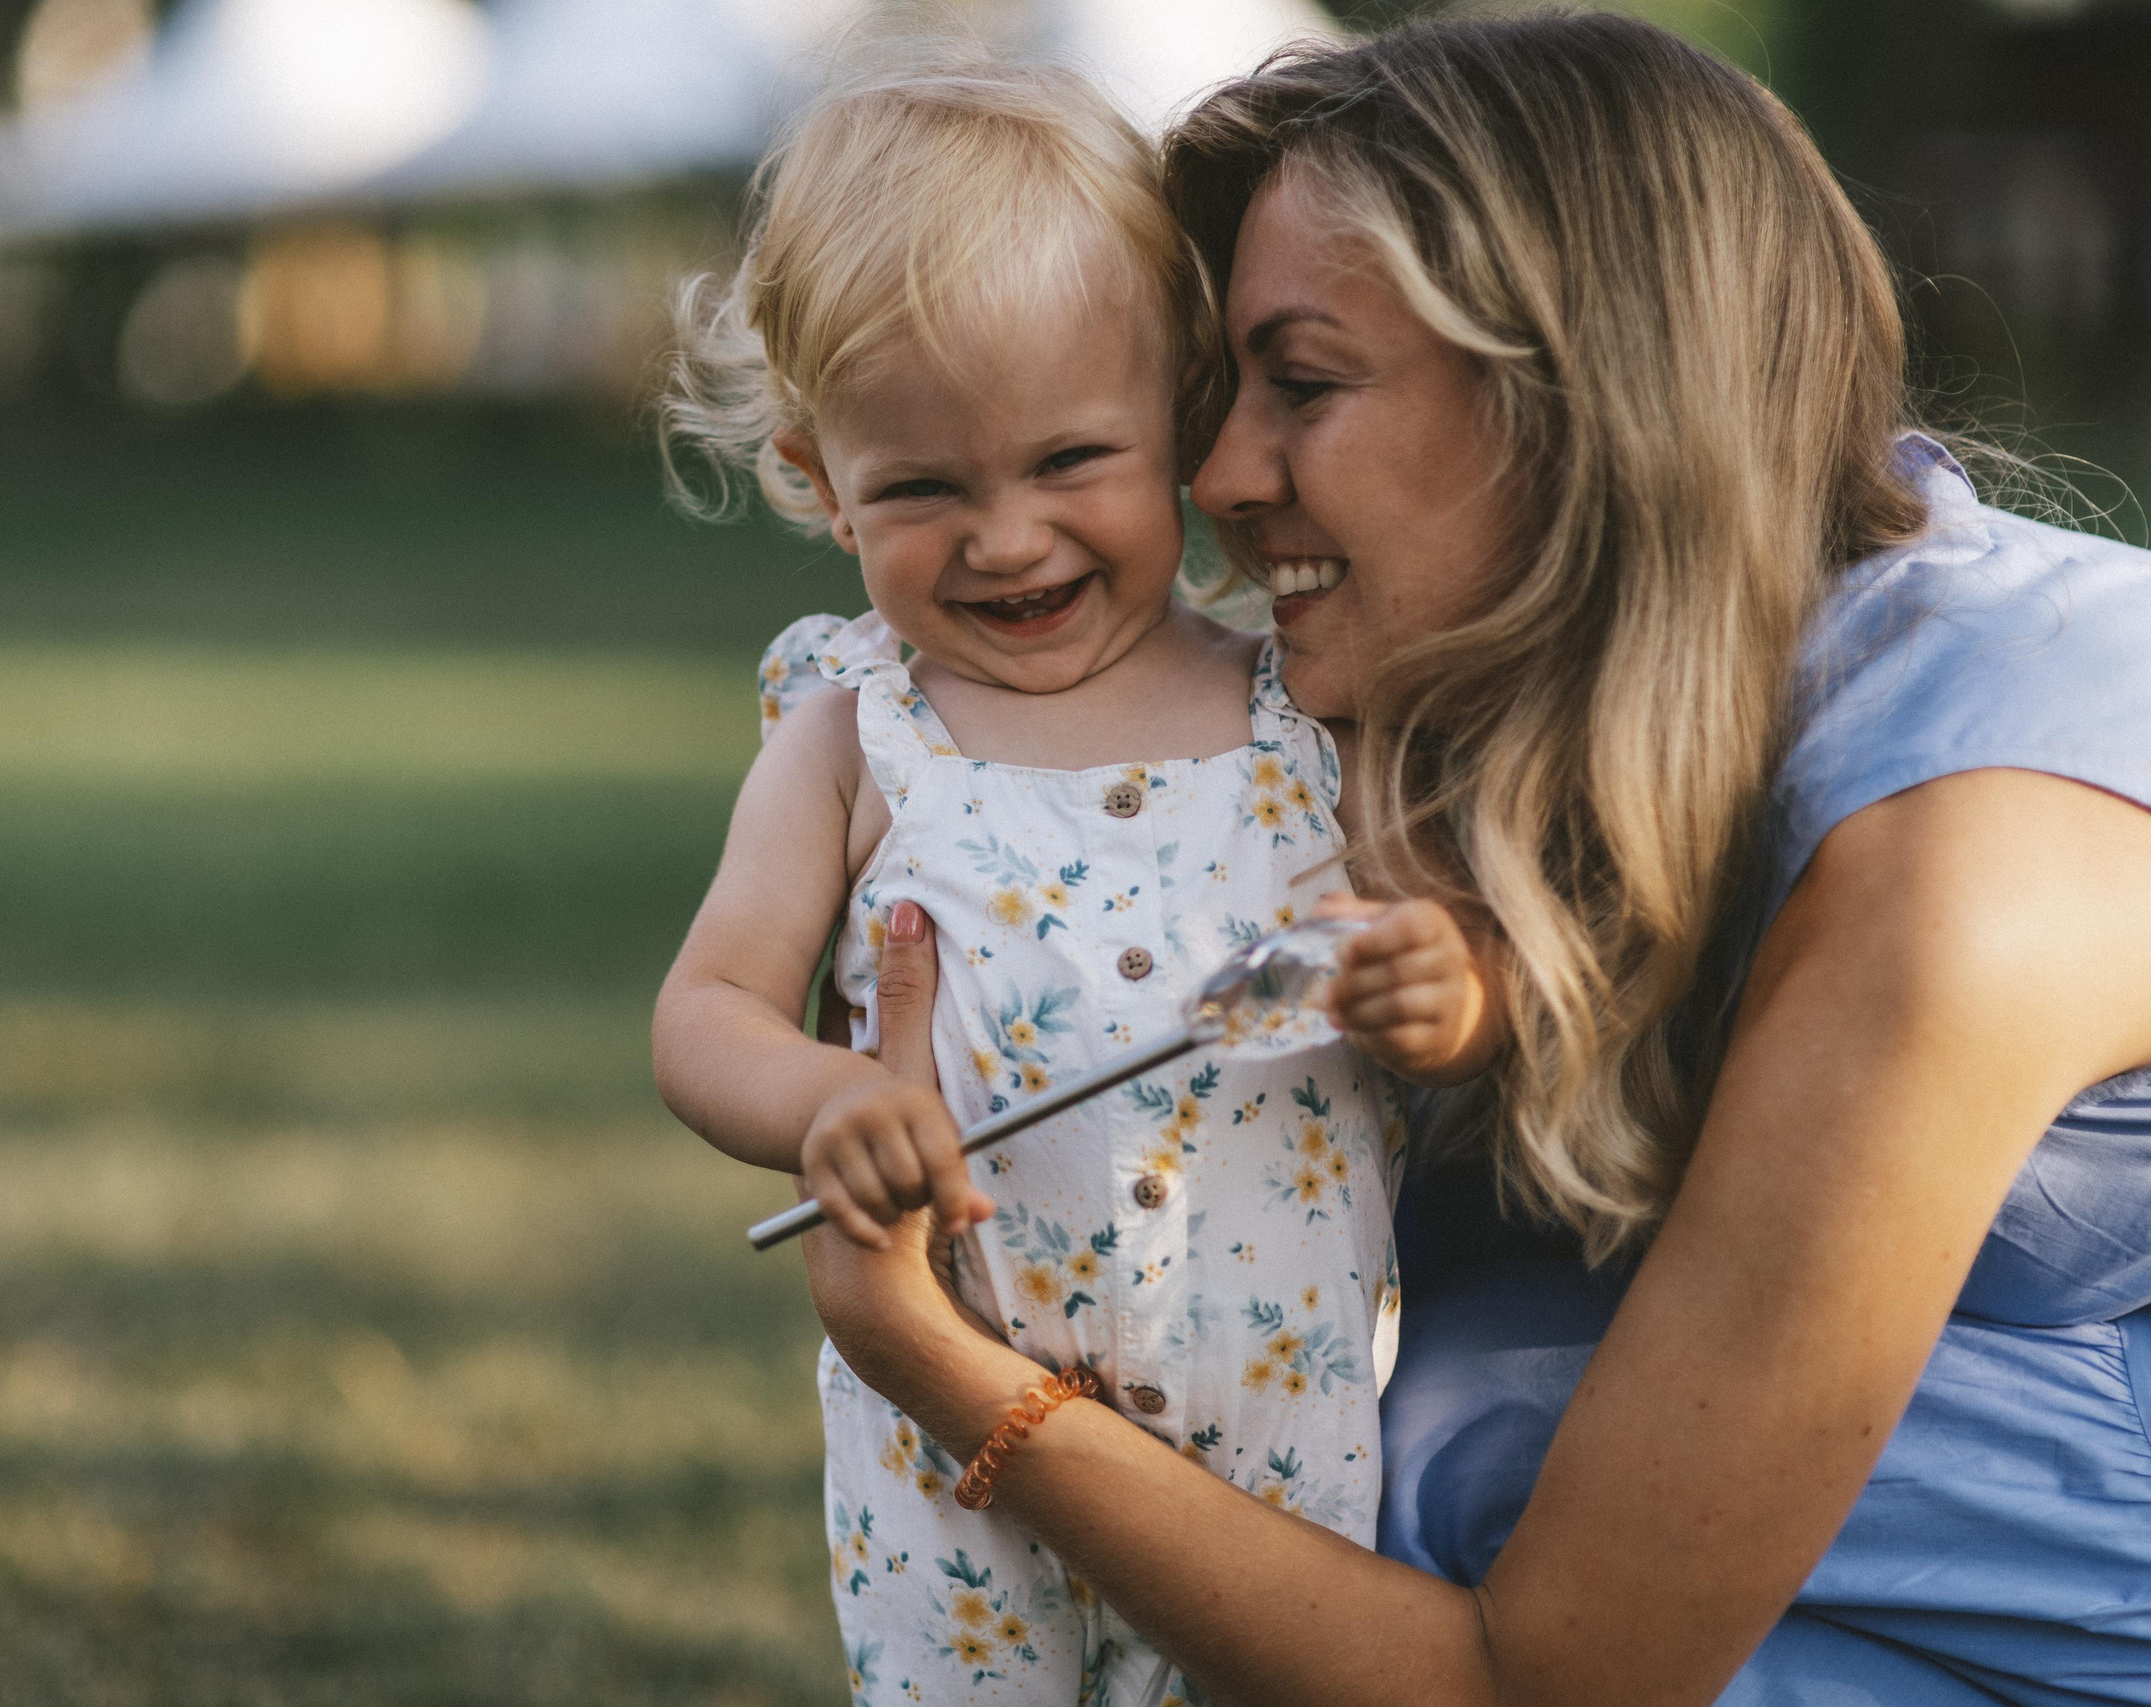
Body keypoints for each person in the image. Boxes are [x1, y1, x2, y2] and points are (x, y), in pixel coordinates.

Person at [803, 14, 2151, 1706]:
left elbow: (1546, 1688)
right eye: (1220, 394)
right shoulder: (1466, 723)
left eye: (1301, 382)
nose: (1217, 474)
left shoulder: (1968, 866)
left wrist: (943, 1366)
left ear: (1585, 394)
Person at [651, 50, 1503, 1707]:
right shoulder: (854, 733)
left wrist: (1446, 991)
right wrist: (823, 1098)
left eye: (1067, 464)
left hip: (1284, 1447)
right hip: (953, 1463)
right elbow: (702, 1012)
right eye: (921, 488)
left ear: (1183, 418)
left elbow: (1451, 966)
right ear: (821, 476)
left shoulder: (1304, 710)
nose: (1007, 540)